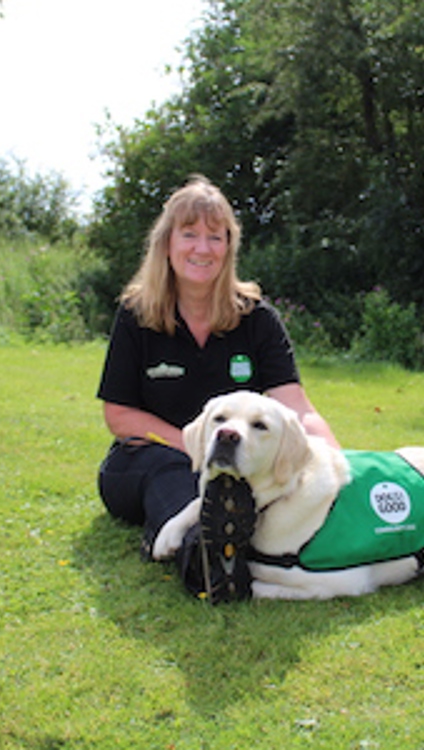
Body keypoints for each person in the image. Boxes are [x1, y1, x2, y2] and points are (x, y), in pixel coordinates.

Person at [96, 175, 338, 601]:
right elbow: (119, 416)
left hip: (238, 465)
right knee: (179, 479)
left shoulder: (257, 319)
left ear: (229, 246)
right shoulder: (136, 315)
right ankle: (202, 559)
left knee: (252, 487)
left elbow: (295, 407)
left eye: (215, 236)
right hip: (151, 455)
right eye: (189, 234)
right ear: (166, 243)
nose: (202, 248)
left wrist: (340, 463)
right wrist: (197, 448)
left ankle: (246, 540)